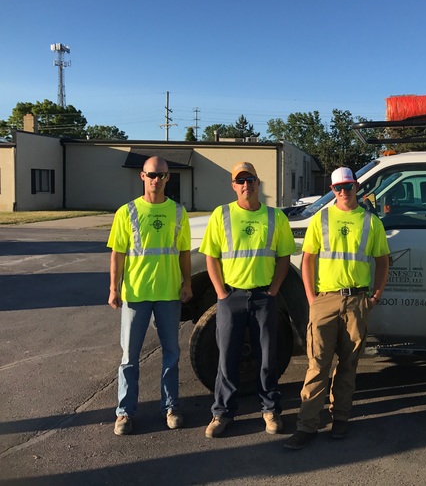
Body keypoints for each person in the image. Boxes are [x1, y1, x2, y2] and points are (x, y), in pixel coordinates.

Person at [284, 166, 390, 450]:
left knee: (349, 364)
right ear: (332, 190)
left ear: (357, 186)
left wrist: (375, 295)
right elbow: (307, 260)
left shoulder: (370, 222)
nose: (344, 191)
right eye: (338, 187)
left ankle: (340, 417)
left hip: (357, 301)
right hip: (325, 300)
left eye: (348, 186)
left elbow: (382, 261)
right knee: (317, 363)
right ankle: (307, 424)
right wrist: (311, 298)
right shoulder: (322, 219)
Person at [199, 161, 295, 438]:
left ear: (257, 182)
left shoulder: (276, 217)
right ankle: (221, 413)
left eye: (250, 179)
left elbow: (284, 257)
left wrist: (274, 289)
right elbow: (211, 256)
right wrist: (220, 292)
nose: (246, 185)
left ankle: (270, 410)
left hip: (264, 297)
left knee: (268, 357)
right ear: (233, 185)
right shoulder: (222, 214)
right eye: (240, 181)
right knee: (226, 357)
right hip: (232, 297)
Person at [108, 156, 192, 435]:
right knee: (129, 357)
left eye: (163, 175)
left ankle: (170, 407)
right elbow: (117, 253)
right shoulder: (127, 212)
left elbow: (184, 253)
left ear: (169, 178)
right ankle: (124, 412)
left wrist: (187, 283)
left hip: (168, 293)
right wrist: (113, 287)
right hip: (136, 293)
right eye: (152, 175)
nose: (157, 180)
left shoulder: (178, 212)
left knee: (171, 354)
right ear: (142, 176)